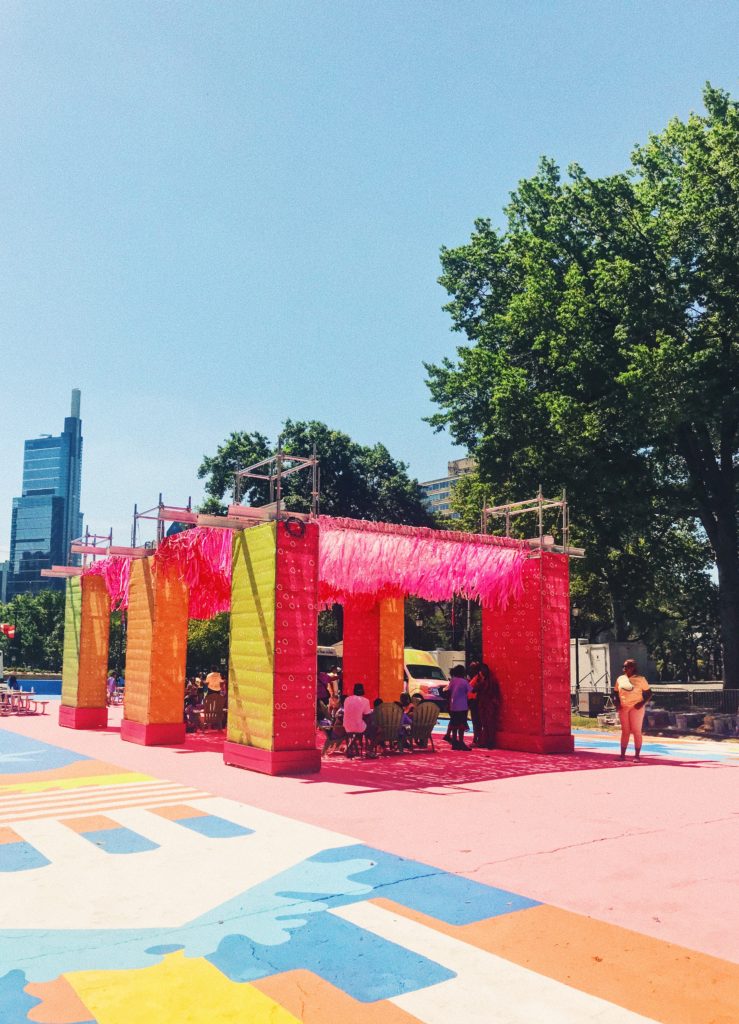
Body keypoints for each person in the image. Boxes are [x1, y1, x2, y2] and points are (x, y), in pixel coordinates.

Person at [613, 658, 652, 761]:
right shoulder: (620, 679)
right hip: (624, 708)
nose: (624, 668)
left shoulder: (641, 679)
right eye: (623, 666)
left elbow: (649, 693)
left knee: (636, 731)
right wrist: (616, 703)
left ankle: (637, 756)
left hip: (636, 708)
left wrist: (642, 703)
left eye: (626, 666)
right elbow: (615, 693)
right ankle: (622, 755)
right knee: (625, 731)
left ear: (633, 668)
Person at [470, 663, 500, 749]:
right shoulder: (489, 681)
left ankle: (489, 742)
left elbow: (473, 689)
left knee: (488, 724)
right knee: (487, 724)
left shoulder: (487, 681)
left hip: (487, 704)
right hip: (485, 704)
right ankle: (488, 741)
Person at [445, 665, 471, 750]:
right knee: (461, 725)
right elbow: (470, 690)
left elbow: (448, 690)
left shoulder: (453, 681)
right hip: (463, 706)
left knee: (454, 725)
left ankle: (454, 742)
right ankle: (461, 742)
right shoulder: (464, 682)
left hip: (454, 706)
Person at [342, 683, 372, 757]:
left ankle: (350, 748)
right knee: (376, 731)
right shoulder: (365, 701)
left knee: (358, 726)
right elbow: (367, 716)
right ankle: (370, 751)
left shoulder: (347, 699)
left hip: (346, 726)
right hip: (358, 727)